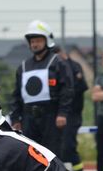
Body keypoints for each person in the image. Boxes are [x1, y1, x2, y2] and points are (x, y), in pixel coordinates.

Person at [10, 20, 73, 156]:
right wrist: (16, 119)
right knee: (31, 156)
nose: (35, 44)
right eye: (32, 41)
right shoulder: (23, 66)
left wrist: (62, 113)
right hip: (29, 120)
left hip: (51, 118)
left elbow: (67, 90)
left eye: (38, 40)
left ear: (47, 40)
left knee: (52, 156)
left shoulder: (58, 63)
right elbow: (16, 94)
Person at [55, 47, 88, 171]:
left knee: (69, 146)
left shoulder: (74, 66)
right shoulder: (54, 68)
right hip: (57, 115)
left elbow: (79, 88)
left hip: (72, 114)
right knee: (58, 148)